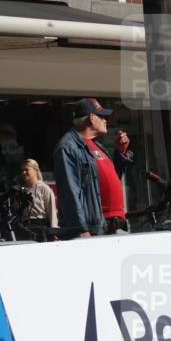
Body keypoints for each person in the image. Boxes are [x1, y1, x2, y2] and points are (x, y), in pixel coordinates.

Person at [53, 98, 133, 237]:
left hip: (111, 225)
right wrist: (81, 229)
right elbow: (69, 192)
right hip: (93, 229)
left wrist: (121, 152)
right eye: (102, 117)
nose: (105, 120)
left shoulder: (96, 145)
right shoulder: (68, 147)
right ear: (91, 118)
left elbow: (111, 178)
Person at [20, 158, 58, 228]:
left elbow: (52, 212)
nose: (23, 172)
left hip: (40, 227)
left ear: (35, 170)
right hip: (24, 227)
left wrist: (54, 231)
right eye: (22, 170)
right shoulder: (21, 189)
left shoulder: (44, 189)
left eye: (26, 169)